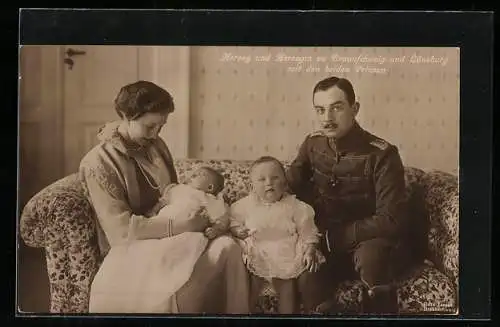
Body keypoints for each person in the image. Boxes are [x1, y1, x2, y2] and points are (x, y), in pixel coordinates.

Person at [79, 80, 249, 314]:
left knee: (229, 247)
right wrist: (184, 224)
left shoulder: (156, 145)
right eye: (150, 126)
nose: (156, 134)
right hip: (134, 246)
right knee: (182, 282)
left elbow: (173, 191)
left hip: (176, 232)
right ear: (127, 116)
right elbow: (120, 231)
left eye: (161, 126)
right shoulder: (98, 163)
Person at [286, 76, 410, 314]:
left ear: (355, 108)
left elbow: (391, 219)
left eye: (336, 107)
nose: (327, 118)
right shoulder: (313, 144)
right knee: (306, 272)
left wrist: (334, 238)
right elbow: (290, 187)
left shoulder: (382, 154)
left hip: (371, 243)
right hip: (326, 244)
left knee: (371, 257)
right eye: (320, 110)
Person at [229, 156, 325, 313]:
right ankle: (247, 314)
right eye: (261, 179)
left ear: (285, 183)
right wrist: (237, 231)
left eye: (275, 178)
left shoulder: (296, 206)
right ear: (251, 185)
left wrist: (310, 249)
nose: (269, 183)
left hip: (287, 249)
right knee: (251, 282)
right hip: (257, 248)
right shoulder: (245, 206)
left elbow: (308, 231)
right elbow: (232, 221)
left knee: (286, 284)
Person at [148, 166, 229, 240]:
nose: (194, 175)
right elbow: (163, 201)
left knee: (192, 239)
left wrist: (215, 230)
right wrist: (154, 210)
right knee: (148, 228)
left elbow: (221, 219)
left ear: (210, 187)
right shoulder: (179, 188)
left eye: (201, 174)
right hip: (163, 219)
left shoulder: (207, 197)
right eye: (195, 173)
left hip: (185, 227)